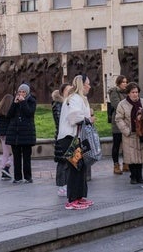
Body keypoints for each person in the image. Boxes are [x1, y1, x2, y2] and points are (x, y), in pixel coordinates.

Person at [58, 74, 94, 210]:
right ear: (81, 84)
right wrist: (88, 119)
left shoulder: (80, 99)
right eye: (87, 84)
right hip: (70, 138)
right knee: (75, 167)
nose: (89, 86)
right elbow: (74, 117)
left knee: (81, 166)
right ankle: (72, 199)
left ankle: (79, 197)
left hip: (76, 137)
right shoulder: (74, 98)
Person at [115, 82, 143, 185]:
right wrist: (126, 131)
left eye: (137, 92)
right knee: (132, 157)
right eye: (133, 92)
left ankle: (140, 176)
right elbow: (119, 119)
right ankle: (133, 176)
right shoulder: (122, 104)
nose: (135, 94)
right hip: (129, 134)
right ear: (128, 93)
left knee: (140, 156)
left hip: (141, 133)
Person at [6, 84, 37, 184]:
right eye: (20, 92)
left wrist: (23, 102)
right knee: (17, 157)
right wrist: (14, 104)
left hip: (26, 134)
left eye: (23, 92)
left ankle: (28, 177)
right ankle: (17, 177)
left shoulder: (32, 101)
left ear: (27, 93)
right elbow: (9, 115)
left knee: (26, 157)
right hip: (15, 134)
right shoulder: (15, 101)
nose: (21, 94)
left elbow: (29, 113)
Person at [52, 83, 71, 196]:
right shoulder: (58, 104)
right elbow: (60, 121)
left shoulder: (67, 103)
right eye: (67, 90)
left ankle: (66, 184)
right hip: (62, 137)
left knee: (67, 161)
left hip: (67, 136)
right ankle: (61, 185)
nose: (69, 92)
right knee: (62, 162)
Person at [108, 75, 129, 175]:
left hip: (127, 122)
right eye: (123, 82)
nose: (125, 84)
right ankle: (116, 165)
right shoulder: (114, 92)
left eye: (126, 82)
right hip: (117, 121)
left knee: (126, 144)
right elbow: (117, 105)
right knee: (117, 143)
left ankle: (126, 163)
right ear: (119, 83)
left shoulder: (127, 92)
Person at [0, 94, 14, 181]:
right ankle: (6, 167)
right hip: (9, 134)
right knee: (15, 153)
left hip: (1, 134)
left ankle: (4, 172)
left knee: (5, 153)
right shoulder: (10, 111)